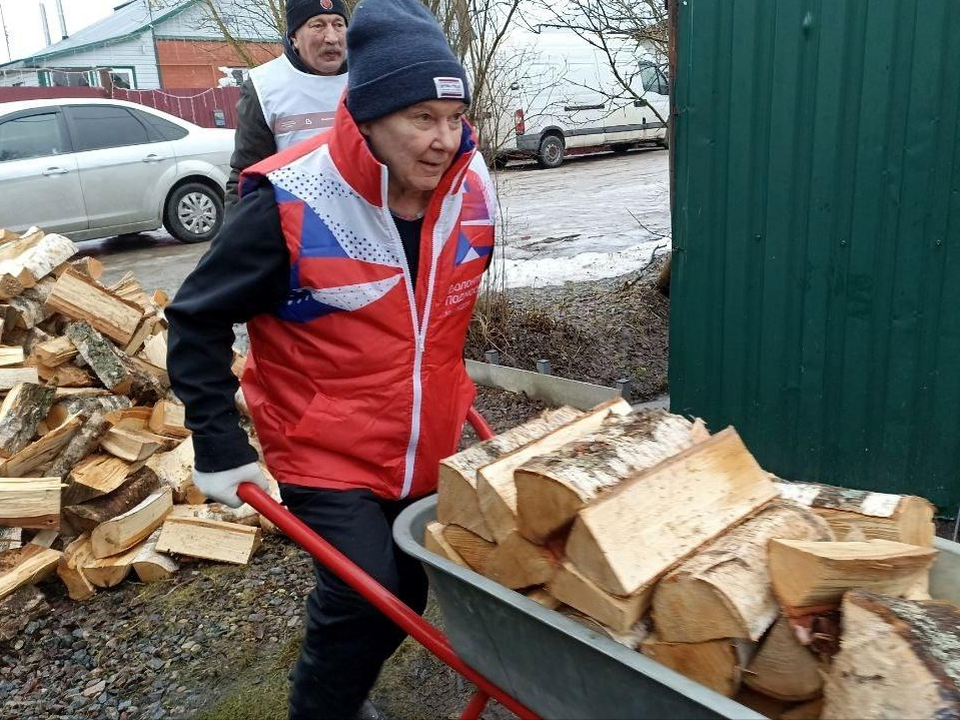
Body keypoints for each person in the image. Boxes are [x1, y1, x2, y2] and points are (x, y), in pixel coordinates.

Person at [165, 0, 496, 717]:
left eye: (454, 116)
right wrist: (219, 444)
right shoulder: (290, 200)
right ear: (368, 115)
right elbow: (195, 316)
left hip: (422, 437)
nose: (445, 139)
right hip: (322, 442)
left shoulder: (471, 189)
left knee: (405, 590)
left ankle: (344, 693)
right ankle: (321, 708)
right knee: (364, 591)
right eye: (421, 118)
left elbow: (435, 315)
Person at [224, 0, 350, 208]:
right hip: (297, 223)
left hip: (366, 222)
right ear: (294, 37)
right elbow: (247, 175)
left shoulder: (368, 77)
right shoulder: (264, 85)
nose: (332, 38)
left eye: (338, 24)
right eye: (317, 25)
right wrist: (236, 234)